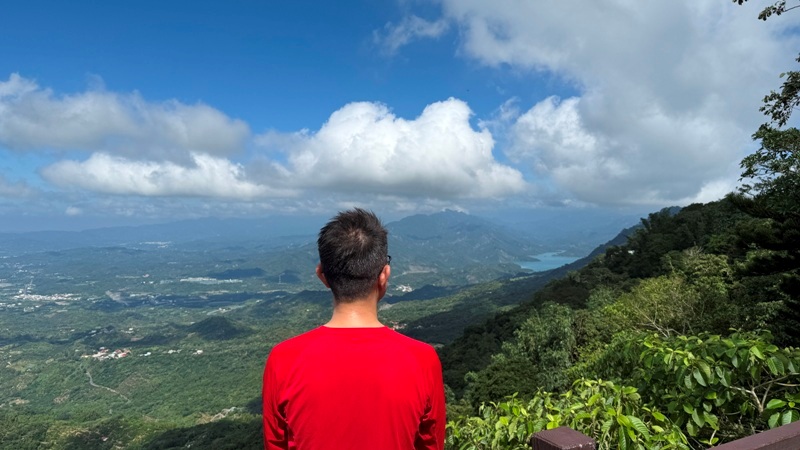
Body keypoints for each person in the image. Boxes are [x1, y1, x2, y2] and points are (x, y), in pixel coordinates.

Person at [262, 208, 446, 450]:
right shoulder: (422, 360)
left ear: (322, 276)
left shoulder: (283, 360)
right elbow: (431, 444)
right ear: (384, 276)